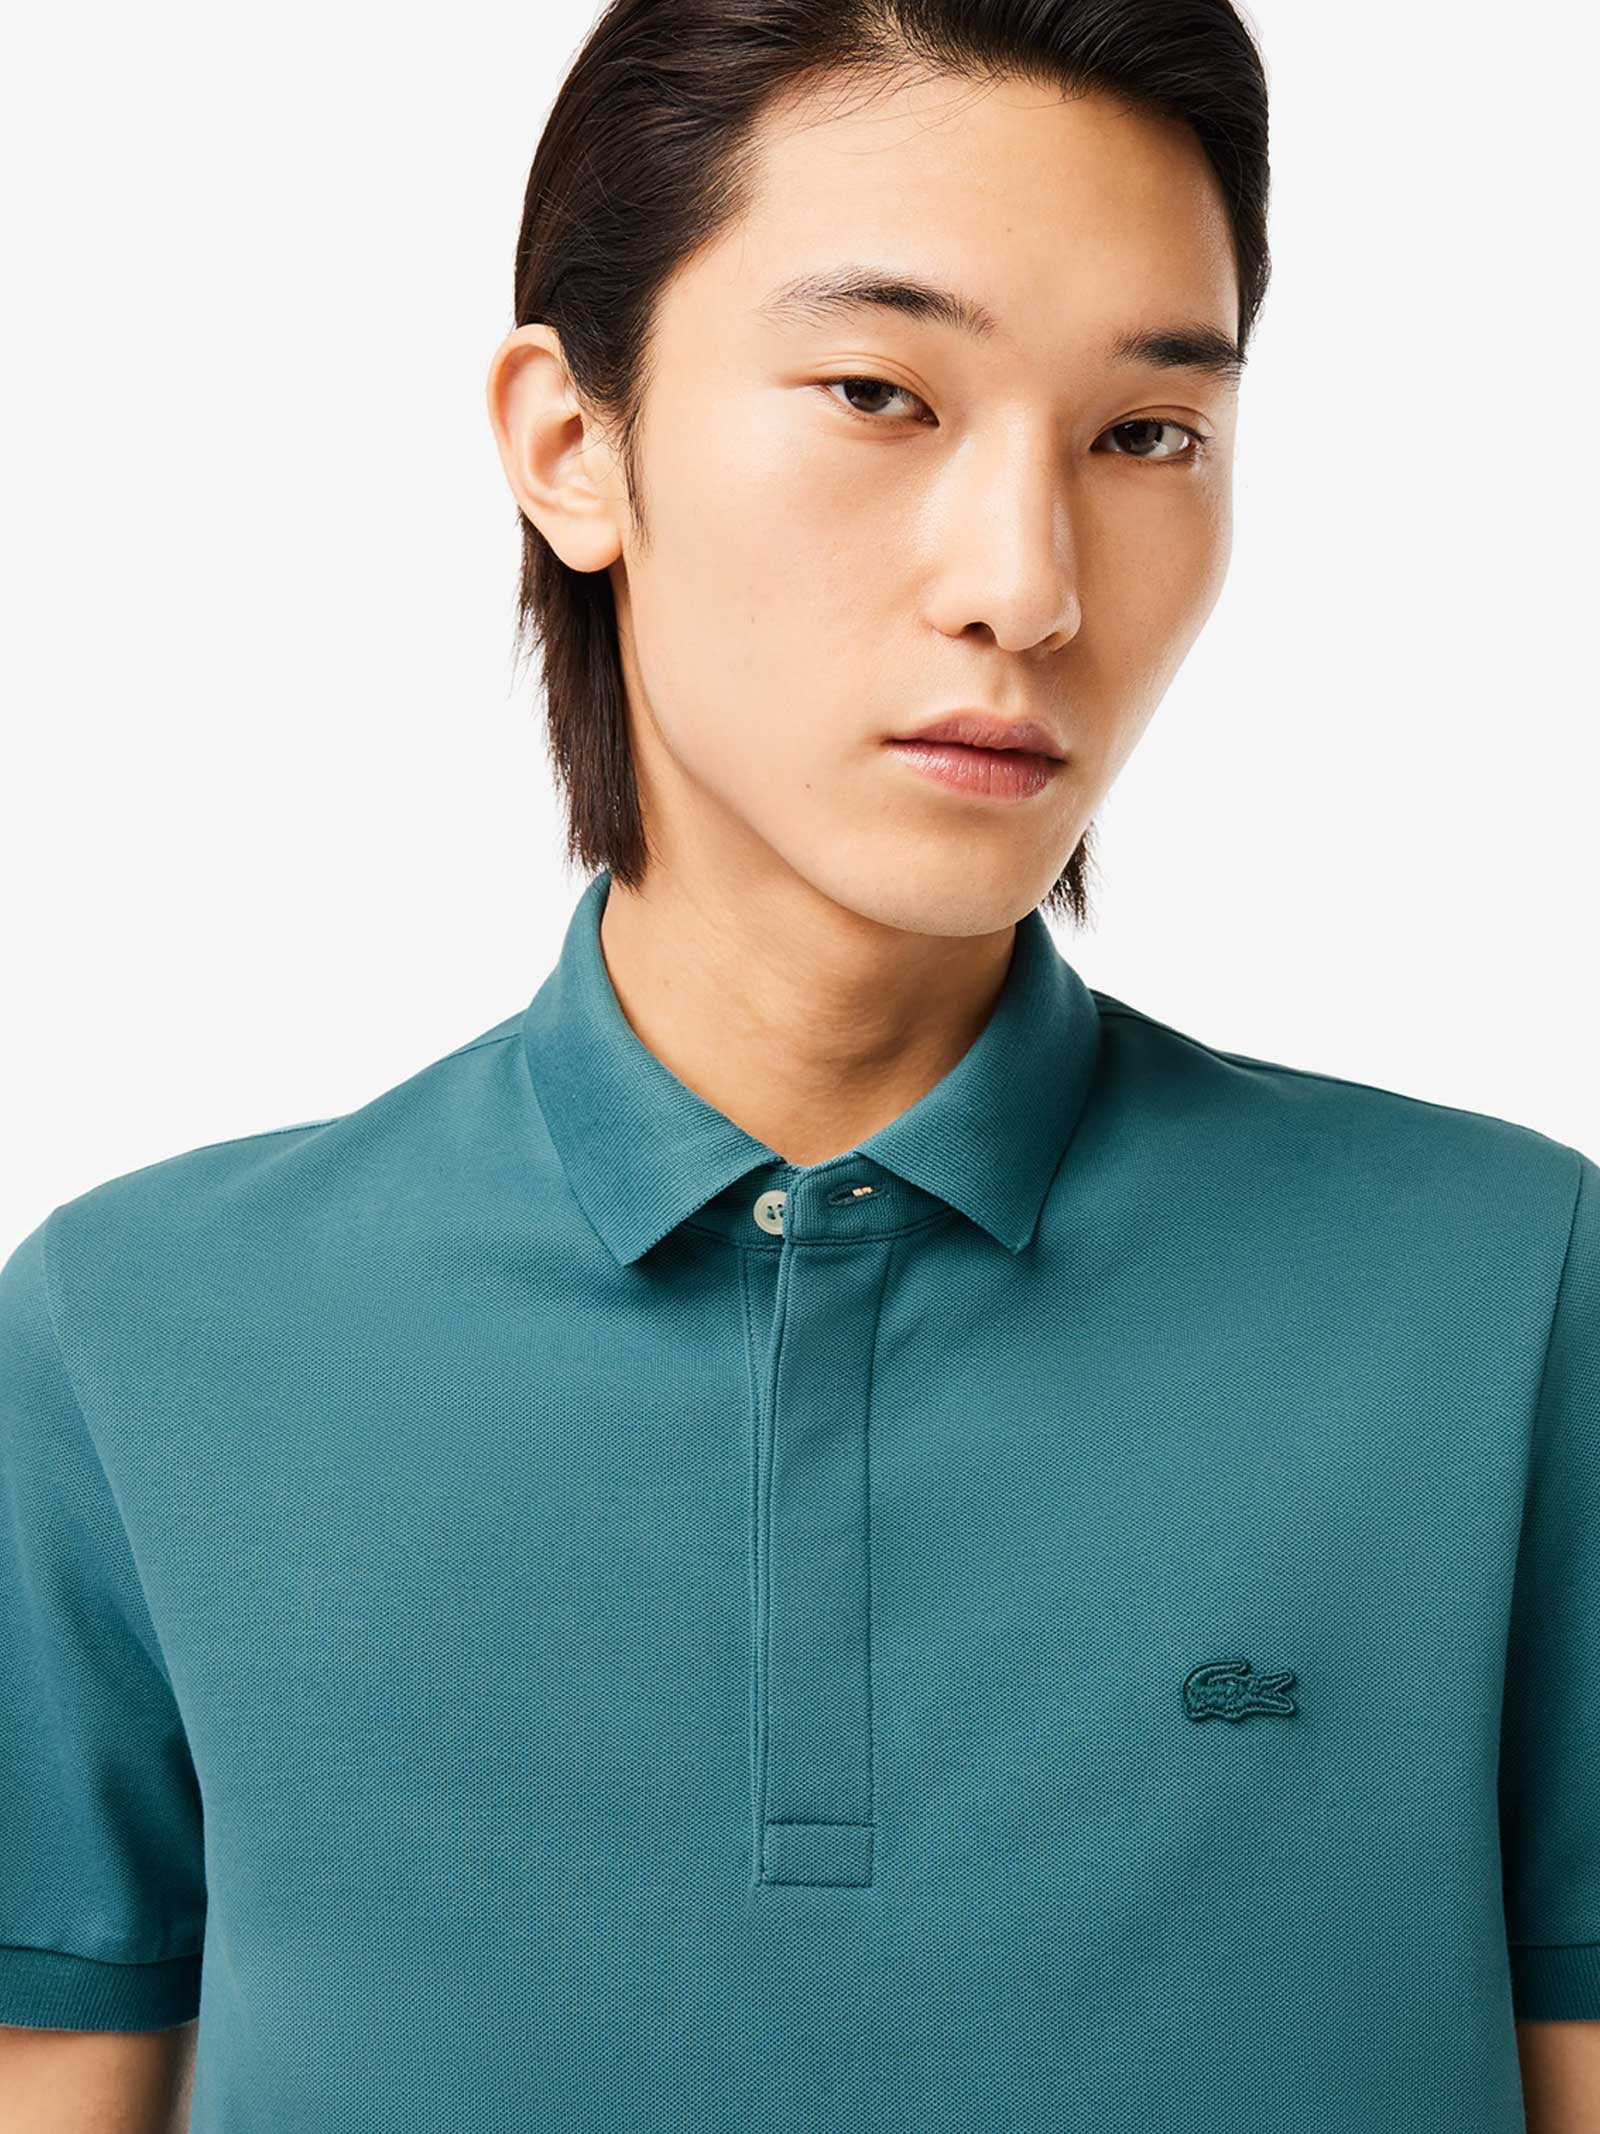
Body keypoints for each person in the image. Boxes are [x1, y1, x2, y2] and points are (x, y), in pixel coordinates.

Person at [2, 1, 1595, 2129]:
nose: (1025, 585)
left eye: (1146, 433)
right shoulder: (134, 1342)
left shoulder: (1509, 1301)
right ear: (574, 444)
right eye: (878, 393)